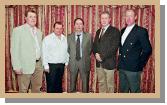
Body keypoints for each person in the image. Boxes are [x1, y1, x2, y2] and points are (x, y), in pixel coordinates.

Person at [118, 9, 152, 93]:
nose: (128, 18)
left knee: (135, 92)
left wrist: (140, 64)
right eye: (127, 16)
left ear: (135, 17)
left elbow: (148, 49)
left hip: (133, 68)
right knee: (123, 91)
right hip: (122, 66)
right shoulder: (122, 30)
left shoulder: (141, 31)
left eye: (131, 16)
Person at [10, 9, 43, 93]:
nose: (33, 19)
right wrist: (16, 66)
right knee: (23, 90)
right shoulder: (18, 30)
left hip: (38, 65)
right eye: (30, 17)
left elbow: (40, 48)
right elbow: (14, 50)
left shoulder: (39, 32)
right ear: (25, 18)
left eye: (35, 17)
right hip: (24, 65)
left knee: (37, 89)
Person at [93, 11, 120, 93]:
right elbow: (95, 46)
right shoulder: (98, 31)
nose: (104, 20)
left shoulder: (115, 31)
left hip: (109, 63)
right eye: (102, 18)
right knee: (101, 83)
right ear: (100, 20)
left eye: (106, 18)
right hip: (99, 63)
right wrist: (96, 54)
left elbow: (114, 47)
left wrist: (102, 56)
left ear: (109, 20)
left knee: (110, 85)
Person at [42, 22, 69, 93]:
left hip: (61, 65)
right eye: (57, 28)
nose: (59, 30)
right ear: (53, 29)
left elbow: (66, 52)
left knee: (59, 85)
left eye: (61, 28)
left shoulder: (64, 38)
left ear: (62, 29)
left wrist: (66, 62)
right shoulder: (47, 39)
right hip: (51, 66)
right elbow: (44, 53)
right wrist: (45, 66)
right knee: (51, 86)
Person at [67, 18, 92, 93]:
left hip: (84, 62)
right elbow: (68, 50)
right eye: (77, 24)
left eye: (80, 24)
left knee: (85, 84)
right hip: (73, 62)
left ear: (83, 26)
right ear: (74, 26)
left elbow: (90, 49)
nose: (79, 26)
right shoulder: (69, 37)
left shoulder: (88, 36)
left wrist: (84, 57)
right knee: (72, 84)